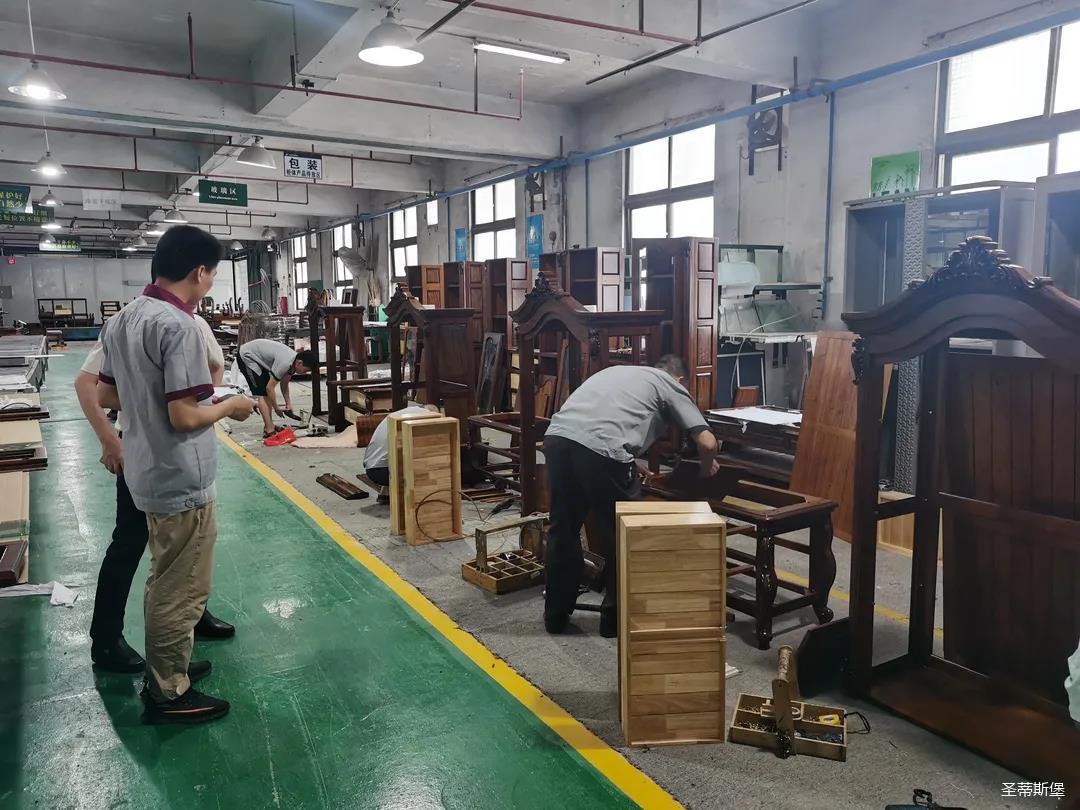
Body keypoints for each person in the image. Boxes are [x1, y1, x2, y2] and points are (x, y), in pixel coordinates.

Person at [98, 225, 255, 724]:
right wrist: (231, 405)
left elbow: (106, 394)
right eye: (213, 273)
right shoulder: (179, 325)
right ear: (200, 272)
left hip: (145, 468)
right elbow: (185, 416)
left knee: (164, 576)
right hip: (180, 475)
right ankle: (167, 691)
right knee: (181, 586)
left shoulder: (123, 319)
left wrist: (149, 400)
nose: (211, 282)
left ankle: (171, 665)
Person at [75, 310, 235, 675]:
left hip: (183, 454)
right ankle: (106, 638)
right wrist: (109, 439)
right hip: (143, 451)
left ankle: (192, 617)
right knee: (130, 541)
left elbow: (212, 371)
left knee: (188, 545)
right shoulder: (136, 325)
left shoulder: (195, 323)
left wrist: (207, 403)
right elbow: (89, 384)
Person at [540, 355, 720, 638]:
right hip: (600, 450)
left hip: (558, 440)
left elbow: (599, 422)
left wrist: (628, 461)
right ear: (681, 379)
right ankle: (614, 622)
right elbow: (708, 443)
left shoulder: (618, 372)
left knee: (563, 528)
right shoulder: (668, 383)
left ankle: (555, 616)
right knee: (624, 535)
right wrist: (708, 467)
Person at [236, 338, 316, 438]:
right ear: (299, 363)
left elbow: (284, 384)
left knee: (266, 393)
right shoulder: (286, 363)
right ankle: (269, 429)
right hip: (247, 356)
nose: (305, 373)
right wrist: (276, 408)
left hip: (258, 358)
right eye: (306, 370)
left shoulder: (293, 363)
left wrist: (288, 403)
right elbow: (270, 388)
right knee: (262, 394)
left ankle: (269, 425)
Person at [363, 402, 439, 487]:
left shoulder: (406, 412)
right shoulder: (425, 416)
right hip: (385, 471)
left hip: (372, 468)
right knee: (430, 464)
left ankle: (388, 492)